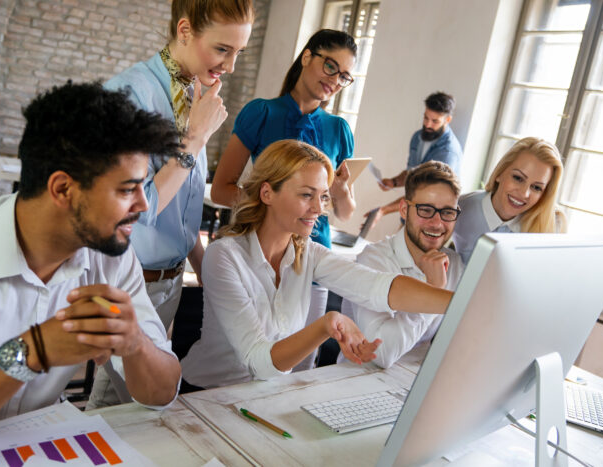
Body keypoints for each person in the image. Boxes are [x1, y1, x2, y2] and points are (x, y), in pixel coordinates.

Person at [0, 82, 182, 453]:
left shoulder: (111, 257)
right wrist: (34, 350)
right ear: (63, 189)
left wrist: (136, 345)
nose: (144, 205)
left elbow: (161, 395)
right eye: (126, 189)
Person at [180, 140, 453, 390]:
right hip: (204, 396)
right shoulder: (224, 256)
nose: (318, 208)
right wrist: (327, 325)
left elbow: (378, 287)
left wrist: (463, 302)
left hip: (263, 395)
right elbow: (258, 361)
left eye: (323, 196)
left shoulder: (309, 254)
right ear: (267, 193)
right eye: (306, 195)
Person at [87, 0, 254, 408]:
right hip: (131, 279)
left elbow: (182, 204)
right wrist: (196, 138)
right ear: (184, 31)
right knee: (140, 404)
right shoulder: (129, 95)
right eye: (222, 49)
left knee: (119, 406)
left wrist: (202, 263)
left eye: (239, 53)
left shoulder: (194, 90)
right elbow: (132, 208)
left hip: (170, 279)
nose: (230, 67)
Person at [210, 29, 358, 367]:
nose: (335, 80)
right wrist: (270, 210)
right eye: (330, 67)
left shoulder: (339, 130)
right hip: (258, 257)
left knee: (301, 369)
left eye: (345, 76)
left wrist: (339, 192)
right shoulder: (261, 113)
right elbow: (221, 189)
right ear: (307, 57)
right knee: (250, 362)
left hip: (312, 263)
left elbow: (346, 212)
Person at [342, 161, 464, 369]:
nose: (437, 223)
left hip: (414, 380)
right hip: (359, 380)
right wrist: (432, 290)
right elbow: (379, 355)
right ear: (404, 210)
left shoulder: (454, 264)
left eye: (447, 212)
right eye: (426, 210)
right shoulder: (372, 261)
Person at [453, 136, 566, 264]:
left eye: (536, 187)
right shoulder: (459, 208)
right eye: (518, 178)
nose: (524, 193)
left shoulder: (550, 227)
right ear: (500, 173)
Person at [368, 92, 463, 228]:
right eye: (426, 118)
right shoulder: (418, 137)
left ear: (447, 120)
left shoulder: (448, 152)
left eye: (435, 121)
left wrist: (383, 210)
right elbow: (412, 172)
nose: (428, 124)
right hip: (409, 216)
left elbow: (424, 191)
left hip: (430, 223)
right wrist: (393, 182)